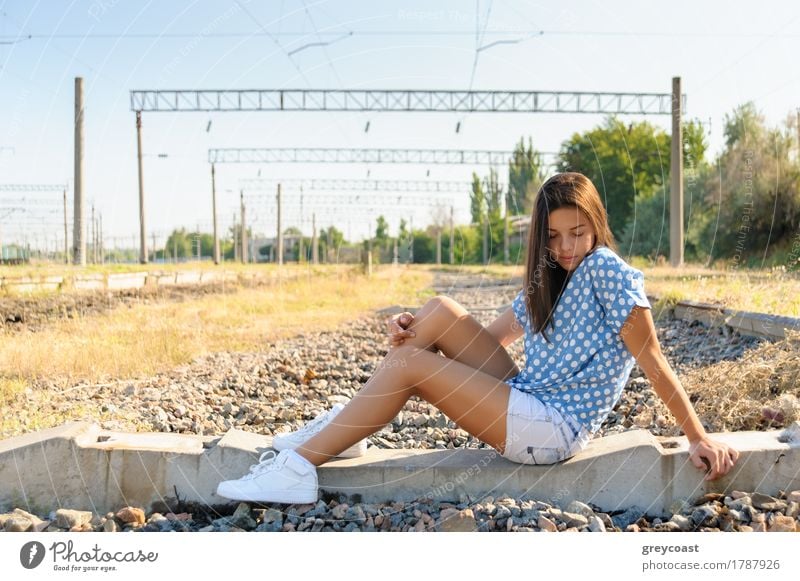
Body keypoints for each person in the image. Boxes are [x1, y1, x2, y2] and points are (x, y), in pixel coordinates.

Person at [216, 171, 739, 504]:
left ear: (595, 224)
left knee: (410, 369)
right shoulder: (549, 277)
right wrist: (413, 333)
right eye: (554, 236)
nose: (567, 247)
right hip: (530, 400)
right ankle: (344, 432)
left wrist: (697, 435)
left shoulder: (604, 269)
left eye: (578, 232)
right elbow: (480, 342)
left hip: (553, 430)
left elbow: (651, 358)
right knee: (439, 311)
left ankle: (300, 466)